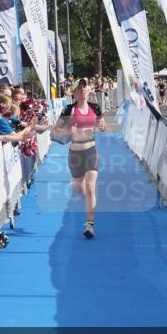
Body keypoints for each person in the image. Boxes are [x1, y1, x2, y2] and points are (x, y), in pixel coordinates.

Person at [53, 78, 106, 238]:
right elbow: (55, 131)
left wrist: (102, 126)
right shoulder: (68, 109)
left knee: (90, 188)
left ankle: (90, 225)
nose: (84, 90)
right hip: (75, 154)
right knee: (80, 189)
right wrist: (70, 132)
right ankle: (84, 192)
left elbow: (102, 126)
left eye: (86, 87)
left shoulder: (95, 107)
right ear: (75, 92)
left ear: (89, 91)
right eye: (80, 88)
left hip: (91, 151)